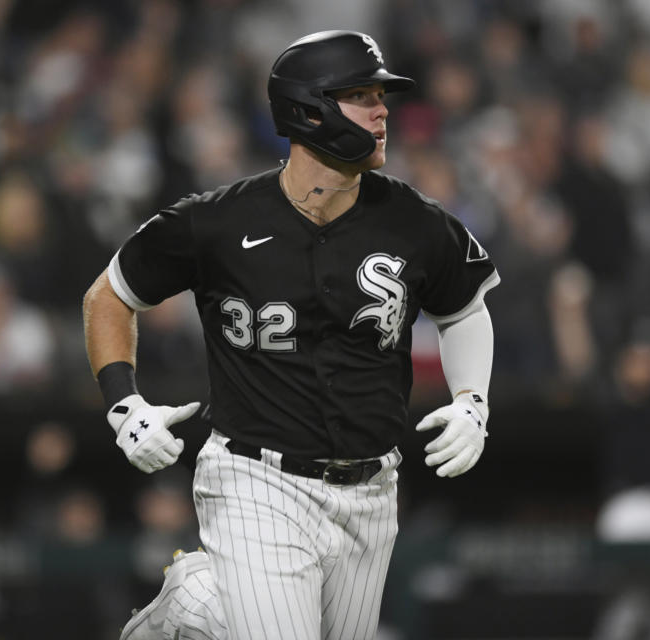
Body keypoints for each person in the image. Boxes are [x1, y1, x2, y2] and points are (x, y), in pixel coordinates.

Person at [83, 30, 500, 640]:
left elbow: (465, 308)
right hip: (256, 479)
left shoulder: (414, 221)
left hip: (372, 492)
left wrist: (473, 401)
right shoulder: (219, 221)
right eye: (361, 95)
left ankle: (204, 608)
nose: (383, 110)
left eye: (380, 95)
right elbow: (110, 295)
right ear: (309, 109)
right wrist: (124, 403)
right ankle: (194, 602)